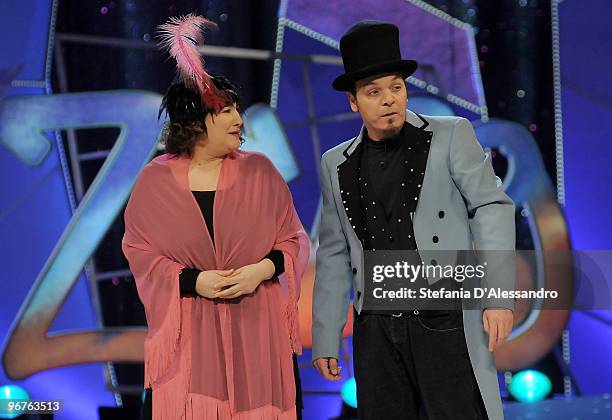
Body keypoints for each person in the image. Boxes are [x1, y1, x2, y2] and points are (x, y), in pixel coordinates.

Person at [312, 20, 516, 420]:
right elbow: (334, 252)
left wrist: (498, 296)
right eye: (374, 92)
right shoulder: (335, 163)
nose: (389, 99)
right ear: (353, 101)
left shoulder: (450, 135)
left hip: (442, 315)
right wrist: (325, 338)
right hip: (375, 328)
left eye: (396, 87)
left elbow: (492, 207)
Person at [122, 15, 309, 420]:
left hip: (259, 338)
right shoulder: (156, 181)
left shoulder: (260, 171)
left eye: (237, 108)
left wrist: (261, 270)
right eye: (224, 110)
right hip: (190, 344)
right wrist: (194, 280)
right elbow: (140, 253)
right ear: (193, 121)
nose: (237, 119)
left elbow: (293, 239)